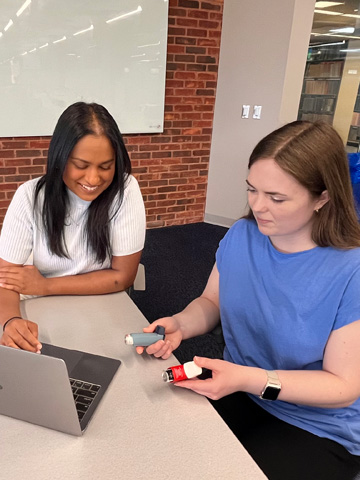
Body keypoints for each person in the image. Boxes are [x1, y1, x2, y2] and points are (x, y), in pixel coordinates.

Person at [136, 121, 360, 480]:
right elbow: (211, 303)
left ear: (323, 197)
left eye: (277, 198)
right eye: (252, 190)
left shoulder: (351, 270)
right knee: (155, 455)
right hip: (238, 388)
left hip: (316, 424)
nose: (258, 206)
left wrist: (247, 379)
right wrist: (181, 322)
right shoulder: (242, 235)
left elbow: (343, 388)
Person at [0, 102, 146, 354]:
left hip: (98, 305)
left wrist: (45, 286)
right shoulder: (29, 196)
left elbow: (122, 277)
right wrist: (10, 322)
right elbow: (5, 279)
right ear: (60, 157)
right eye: (81, 165)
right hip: (40, 310)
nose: (92, 179)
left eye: (105, 166)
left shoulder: (125, 190)